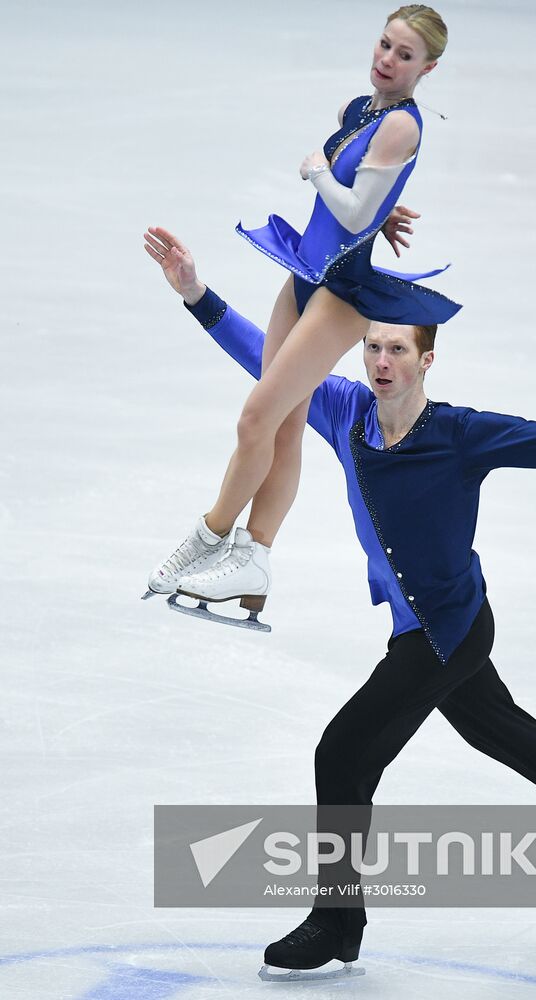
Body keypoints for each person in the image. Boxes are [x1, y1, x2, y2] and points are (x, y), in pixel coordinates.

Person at [145, 229, 536, 976]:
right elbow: (270, 368)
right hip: (430, 623)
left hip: (445, 630)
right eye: (372, 348)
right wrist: (195, 296)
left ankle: (336, 921)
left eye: (398, 350)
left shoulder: (460, 435)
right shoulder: (344, 413)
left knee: (341, 753)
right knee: (491, 727)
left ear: (426, 359)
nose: (382, 361)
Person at [144, 6, 459, 621]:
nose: (387, 60)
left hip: (342, 293)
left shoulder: (402, 126)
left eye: (404, 55)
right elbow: (364, 193)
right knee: (283, 423)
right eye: (385, 44)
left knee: (255, 416)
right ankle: (254, 559)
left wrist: (320, 174)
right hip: (303, 278)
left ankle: (209, 537)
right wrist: (380, 204)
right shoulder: (357, 110)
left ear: (428, 68)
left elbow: (348, 212)